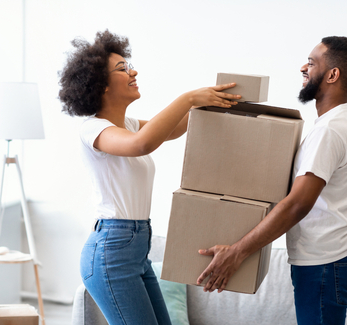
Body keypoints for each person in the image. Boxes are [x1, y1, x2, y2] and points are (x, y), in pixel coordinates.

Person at [58, 30, 241, 325]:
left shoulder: (129, 124)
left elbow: (174, 129)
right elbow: (141, 144)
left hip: (135, 248)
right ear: (100, 85)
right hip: (111, 251)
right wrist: (188, 97)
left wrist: (206, 102)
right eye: (122, 69)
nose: (133, 71)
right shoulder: (93, 130)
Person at [197, 36, 347, 325]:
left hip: (327, 261)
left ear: (332, 74)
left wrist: (237, 253)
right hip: (329, 257)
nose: (303, 67)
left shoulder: (330, 131)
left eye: (312, 63)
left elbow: (298, 204)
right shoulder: (334, 123)